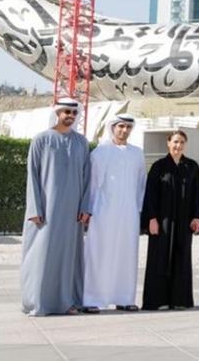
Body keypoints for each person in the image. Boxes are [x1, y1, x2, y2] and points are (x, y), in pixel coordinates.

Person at [21, 98, 92, 316]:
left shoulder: (81, 142)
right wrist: (35, 209)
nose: (70, 115)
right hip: (45, 212)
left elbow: (87, 177)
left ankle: (67, 302)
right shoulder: (41, 140)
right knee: (41, 256)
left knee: (69, 258)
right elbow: (32, 176)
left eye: (73, 112)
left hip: (72, 213)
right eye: (66, 111)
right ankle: (37, 302)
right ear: (57, 113)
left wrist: (85, 207)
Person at [83, 114, 146, 313]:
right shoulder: (100, 153)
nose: (124, 130)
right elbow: (92, 184)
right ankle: (92, 299)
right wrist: (90, 210)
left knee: (126, 254)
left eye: (128, 127)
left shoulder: (137, 153)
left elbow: (141, 184)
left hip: (129, 213)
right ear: (113, 128)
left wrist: (139, 210)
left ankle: (124, 298)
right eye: (121, 126)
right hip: (103, 212)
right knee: (99, 254)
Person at [142, 129, 199, 311]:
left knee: (181, 256)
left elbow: (195, 195)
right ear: (168, 143)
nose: (178, 145)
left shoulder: (191, 167)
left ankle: (179, 300)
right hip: (163, 222)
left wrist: (196, 217)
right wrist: (151, 219)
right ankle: (157, 300)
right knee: (159, 257)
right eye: (175, 142)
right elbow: (150, 195)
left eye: (182, 142)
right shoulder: (158, 166)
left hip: (184, 222)